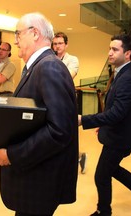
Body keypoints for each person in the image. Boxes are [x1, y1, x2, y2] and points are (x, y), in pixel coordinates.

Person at [0, 12, 79, 216]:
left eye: (18, 34)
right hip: (36, 178)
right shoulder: (37, 67)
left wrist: (12, 154)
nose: (16, 40)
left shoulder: (49, 68)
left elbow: (60, 131)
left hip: (40, 181)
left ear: (35, 33)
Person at [78, 34, 131, 216]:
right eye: (109, 48)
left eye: (115, 49)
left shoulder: (128, 79)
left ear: (128, 54)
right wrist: (104, 124)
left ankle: (104, 211)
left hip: (120, 139)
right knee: (112, 170)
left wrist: (83, 120)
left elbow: (117, 113)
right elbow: (114, 108)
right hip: (116, 134)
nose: (109, 53)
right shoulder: (120, 74)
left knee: (101, 176)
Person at [52, 31, 87, 174]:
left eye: (60, 43)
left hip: (66, 102)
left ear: (66, 45)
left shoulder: (73, 59)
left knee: (67, 134)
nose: (57, 46)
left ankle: (79, 157)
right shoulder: (49, 58)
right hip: (51, 100)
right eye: (55, 43)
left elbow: (67, 76)